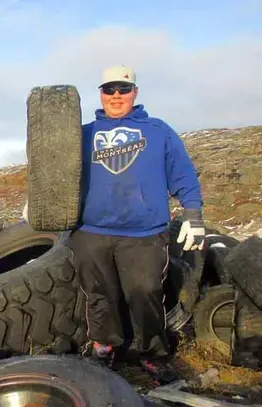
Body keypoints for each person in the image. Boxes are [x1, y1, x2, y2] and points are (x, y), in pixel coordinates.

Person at [67, 65, 204, 366]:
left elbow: (182, 173)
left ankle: (152, 353)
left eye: (123, 89)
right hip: (92, 231)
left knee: (145, 293)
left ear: (135, 92)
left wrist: (192, 214)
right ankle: (105, 346)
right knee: (99, 294)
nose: (116, 95)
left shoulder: (158, 131)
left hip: (144, 233)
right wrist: (42, 201)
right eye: (109, 89)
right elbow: (58, 173)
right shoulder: (82, 135)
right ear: (100, 94)